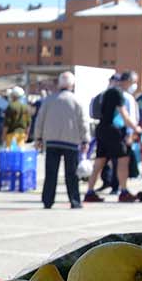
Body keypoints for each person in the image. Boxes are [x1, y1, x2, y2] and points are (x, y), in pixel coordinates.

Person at [31, 70, 87, 209]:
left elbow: (40, 120)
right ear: (72, 85)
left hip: (52, 141)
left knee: (51, 173)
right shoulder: (77, 101)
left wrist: (38, 138)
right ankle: (74, 200)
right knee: (71, 174)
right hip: (71, 141)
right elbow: (83, 122)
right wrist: (85, 139)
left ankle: (48, 200)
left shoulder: (49, 100)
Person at [86, 72, 139, 202]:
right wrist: (136, 129)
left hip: (102, 129)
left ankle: (90, 191)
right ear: (127, 81)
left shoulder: (107, 92)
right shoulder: (118, 94)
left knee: (100, 161)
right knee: (123, 159)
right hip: (113, 131)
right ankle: (124, 191)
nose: (133, 86)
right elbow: (124, 115)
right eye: (133, 83)